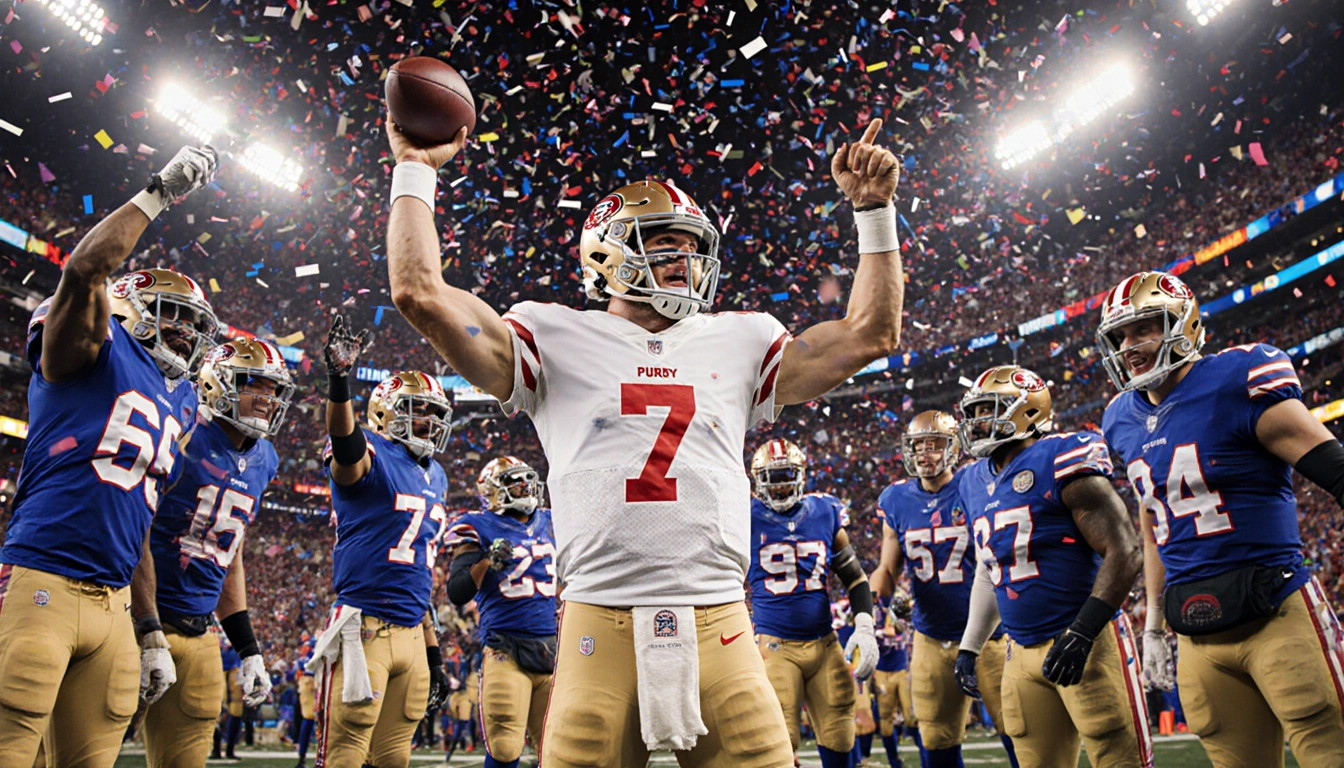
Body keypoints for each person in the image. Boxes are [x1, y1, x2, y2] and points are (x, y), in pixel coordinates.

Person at [386, 103, 903, 766]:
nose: (686, 258)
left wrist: (874, 211)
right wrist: (414, 169)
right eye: (667, 243)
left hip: (722, 624)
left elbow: (870, 334)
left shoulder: (741, 338)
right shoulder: (553, 333)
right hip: (598, 628)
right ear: (610, 250)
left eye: (694, 246)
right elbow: (419, 293)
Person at [0, 144, 220, 766]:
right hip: (42, 581)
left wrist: (149, 627)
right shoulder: (91, 348)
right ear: (129, 309)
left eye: (194, 327)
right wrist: (159, 192)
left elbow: (140, 520)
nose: (186, 335)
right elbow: (84, 268)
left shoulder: (179, 403)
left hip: (117, 603)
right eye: (173, 318)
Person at [1097, 271, 1344, 767]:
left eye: (1143, 327)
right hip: (1195, 634)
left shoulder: (1237, 378)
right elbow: (1153, 526)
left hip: (1276, 612)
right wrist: (1154, 626)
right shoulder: (1119, 418)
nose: (1129, 345)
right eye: (1120, 335)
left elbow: (1335, 470)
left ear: (1183, 325)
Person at [953, 366, 1150, 768]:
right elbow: (991, 570)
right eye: (973, 413)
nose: (976, 423)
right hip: (1019, 651)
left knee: (1119, 758)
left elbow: (1125, 549)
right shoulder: (972, 479)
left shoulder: (1060, 454)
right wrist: (970, 646)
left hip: (1088, 642)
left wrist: (1083, 632)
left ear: (1026, 412)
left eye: (988, 409)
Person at [134, 338, 293, 766]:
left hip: (200, 631)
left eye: (275, 389)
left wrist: (248, 647)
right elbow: (132, 524)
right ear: (217, 382)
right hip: (132, 618)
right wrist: (146, 627)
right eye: (255, 384)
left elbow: (229, 550)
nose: (268, 399)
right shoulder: (182, 427)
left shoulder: (266, 458)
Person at [309, 315, 453, 767]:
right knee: (345, 754)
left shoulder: (438, 475)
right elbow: (346, 448)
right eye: (417, 408)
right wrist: (339, 382)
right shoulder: (372, 451)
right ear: (386, 412)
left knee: (393, 757)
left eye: (434, 412)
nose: (428, 420)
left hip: (412, 633)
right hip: (364, 626)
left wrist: (435, 656)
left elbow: (421, 573)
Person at [871, 410, 1017, 768]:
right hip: (931, 637)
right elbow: (888, 568)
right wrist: (883, 603)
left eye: (934, 444)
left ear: (953, 448)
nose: (924, 453)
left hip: (988, 635)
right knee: (936, 737)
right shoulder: (896, 499)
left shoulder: (974, 483)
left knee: (1017, 729)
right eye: (918, 445)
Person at [747, 438, 877, 768]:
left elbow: (856, 578)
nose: (779, 486)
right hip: (775, 647)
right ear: (757, 480)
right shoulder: (743, 518)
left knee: (840, 735)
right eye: (771, 478)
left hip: (824, 643)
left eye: (786, 475)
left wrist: (864, 626)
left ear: (801, 474)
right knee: (776, 741)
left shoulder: (825, 511)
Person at [446, 456, 558, 768]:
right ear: (493, 491)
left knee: (557, 750)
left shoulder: (550, 519)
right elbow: (457, 592)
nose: (524, 487)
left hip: (551, 648)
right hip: (505, 648)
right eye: (514, 481)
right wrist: (486, 561)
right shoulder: (477, 525)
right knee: (506, 745)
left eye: (526, 479)